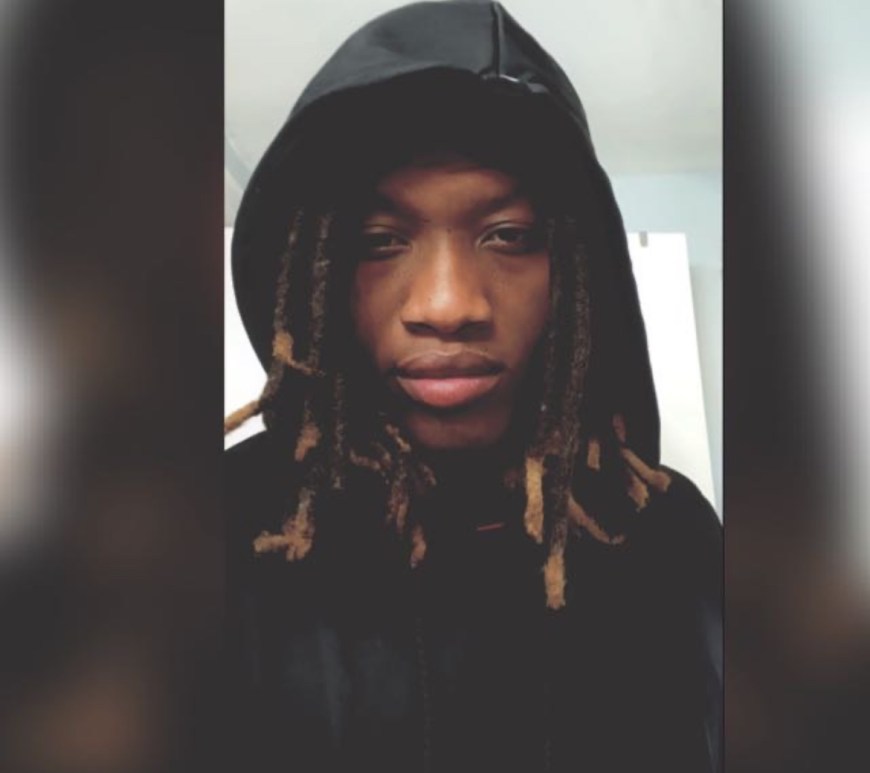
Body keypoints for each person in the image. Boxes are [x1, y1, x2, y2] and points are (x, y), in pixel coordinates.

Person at [225, 2, 722, 771]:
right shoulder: (220, 529)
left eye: (509, 236)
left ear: (578, 273)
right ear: (312, 275)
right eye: (379, 242)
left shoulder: (665, 536)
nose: (448, 304)